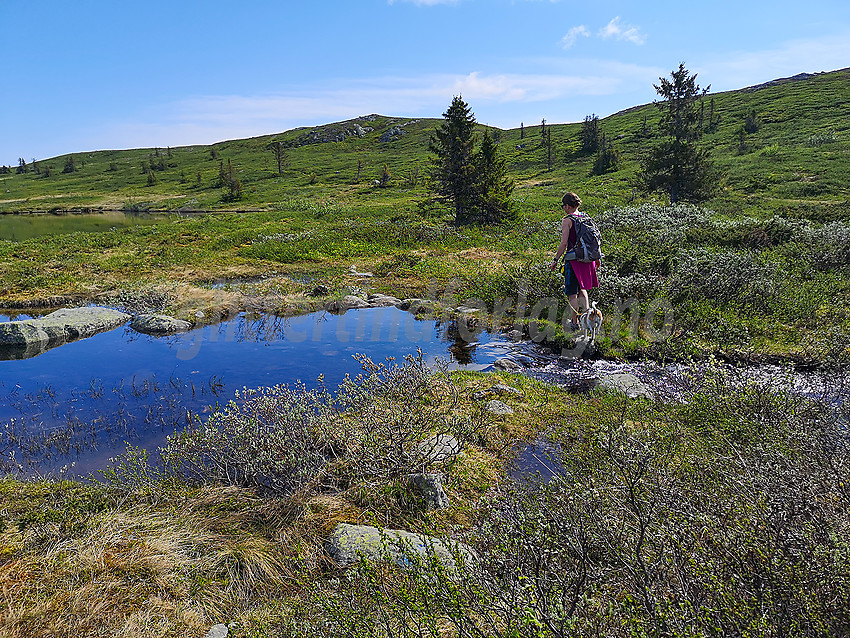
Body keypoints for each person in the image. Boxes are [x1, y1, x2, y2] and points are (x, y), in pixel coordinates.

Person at [549, 192, 600, 330]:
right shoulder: (585, 217)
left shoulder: (567, 220)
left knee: (572, 293)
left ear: (567, 206)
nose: (563, 208)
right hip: (588, 259)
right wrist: (597, 258)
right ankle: (589, 317)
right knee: (582, 289)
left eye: (563, 206)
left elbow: (564, 243)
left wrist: (555, 260)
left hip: (573, 260)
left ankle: (575, 323)